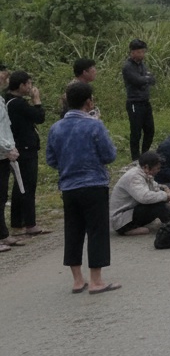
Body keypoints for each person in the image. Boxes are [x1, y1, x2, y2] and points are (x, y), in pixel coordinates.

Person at [45, 81, 119, 293]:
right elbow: (109, 155)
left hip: (68, 186)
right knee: (97, 231)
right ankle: (96, 280)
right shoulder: (94, 125)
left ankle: (78, 280)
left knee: (73, 230)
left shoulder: (56, 128)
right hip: (94, 183)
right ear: (89, 102)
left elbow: (51, 159)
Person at [109, 151, 170, 236]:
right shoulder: (134, 177)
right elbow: (144, 197)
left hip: (131, 211)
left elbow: (155, 188)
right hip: (121, 219)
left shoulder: (144, 174)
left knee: (163, 202)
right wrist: (167, 196)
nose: (158, 171)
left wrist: (167, 193)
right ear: (146, 167)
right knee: (159, 206)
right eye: (157, 168)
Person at [5, 71, 50, 237]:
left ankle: (18, 223)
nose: (31, 87)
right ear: (22, 85)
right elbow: (39, 117)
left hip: (18, 147)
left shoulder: (8, 100)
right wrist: (37, 101)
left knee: (20, 186)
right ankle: (30, 223)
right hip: (24, 148)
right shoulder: (17, 103)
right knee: (28, 185)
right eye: (29, 84)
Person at [122, 39, 156, 159]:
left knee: (150, 130)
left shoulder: (142, 65)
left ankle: (145, 154)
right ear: (132, 52)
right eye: (139, 52)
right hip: (134, 102)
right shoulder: (128, 67)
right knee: (136, 131)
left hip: (145, 101)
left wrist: (145, 78)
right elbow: (137, 81)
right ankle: (135, 158)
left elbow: (152, 79)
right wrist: (145, 78)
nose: (142, 54)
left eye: (143, 51)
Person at [0, 74, 23, 250]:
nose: (5, 78)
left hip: (4, 154)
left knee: (2, 196)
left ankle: (3, 234)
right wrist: (8, 147)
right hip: (3, 151)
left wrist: (9, 148)